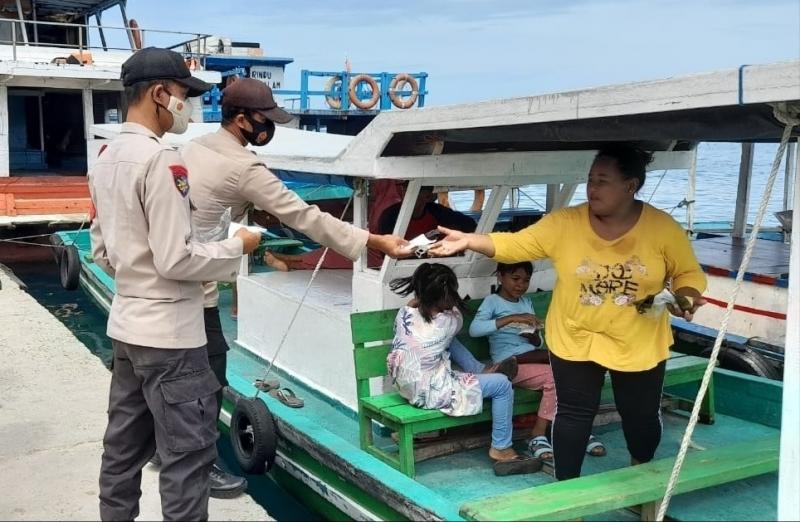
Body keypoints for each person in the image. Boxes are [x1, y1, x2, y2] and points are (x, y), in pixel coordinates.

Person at [179, 78, 409, 491]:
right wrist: (373, 241)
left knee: (177, 379)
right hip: (198, 288)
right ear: (243, 119)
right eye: (266, 120)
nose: (271, 128)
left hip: (176, 274)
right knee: (209, 380)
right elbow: (303, 216)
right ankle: (199, 467)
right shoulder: (243, 167)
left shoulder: (194, 148)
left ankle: (169, 452)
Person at [429, 144, 707, 480]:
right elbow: (516, 243)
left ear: (630, 186)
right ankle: (567, 495)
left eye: (602, 181)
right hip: (576, 336)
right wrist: (470, 240)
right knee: (573, 415)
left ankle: (642, 483)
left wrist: (686, 297)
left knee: (640, 418)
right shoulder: (566, 223)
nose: (592, 189)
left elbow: (688, 274)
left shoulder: (662, 228)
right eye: (590, 180)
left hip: (638, 339)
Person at [88, 48, 261, 521]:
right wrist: (237, 246)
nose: (188, 106)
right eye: (184, 94)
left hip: (127, 328)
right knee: (187, 458)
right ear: (161, 94)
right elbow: (177, 257)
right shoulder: (165, 163)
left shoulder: (104, 158)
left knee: (122, 450)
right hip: (172, 338)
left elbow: (102, 251)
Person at [387, 263, 542, 476]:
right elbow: (455, 315)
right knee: (502, 385)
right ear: (446, 294)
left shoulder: (406, 313)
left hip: (405, 384)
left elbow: (424, 306)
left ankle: (482, 370)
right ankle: (502, 449)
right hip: (428, 390)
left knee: (448, 344)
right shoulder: (449, 322)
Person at [469, 261, 606, 463]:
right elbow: (474, 330)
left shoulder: (526, 302)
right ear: (500, 276)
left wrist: (535, 338)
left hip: (533, 356)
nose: (520, 285)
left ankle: (579, 430)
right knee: (557, 378)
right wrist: (511, 318)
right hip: (511, 363)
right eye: (515, 279)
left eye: (526, 280)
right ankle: (538, 434)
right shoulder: (493, 302)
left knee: (582, 374)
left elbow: (538, 340)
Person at [264, 184, 476, 271]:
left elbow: (469, 225)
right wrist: (426, 251)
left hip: (410, 262)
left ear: (428, 195)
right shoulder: (393, 214)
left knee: (329, 259)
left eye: (419, 193)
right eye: (405, 190)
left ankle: (288, 263)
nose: (407, 196)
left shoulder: (437, 212)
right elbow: (387, 247)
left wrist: (445, 244)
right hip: (380, 255)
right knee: (328, 255)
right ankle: (289, 262)